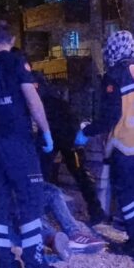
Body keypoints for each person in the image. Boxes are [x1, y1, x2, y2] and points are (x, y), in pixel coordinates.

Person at [0, 20, 58, 268]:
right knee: (30, 200)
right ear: (12, 40)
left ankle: (4, 262)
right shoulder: (17, 62)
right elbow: (32, 100)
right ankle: (34, 263)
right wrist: (46, 131)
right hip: (18, 143)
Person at [76, 30, 134, 266]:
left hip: (128, 149)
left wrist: (86, 132)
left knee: (127, 197)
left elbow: (111, 116)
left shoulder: (114, 76)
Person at [27, 64, 107, 225]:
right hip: (61, 134)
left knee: (51, 172)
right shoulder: (50, 93)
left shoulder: (39, 94)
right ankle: (94, 210)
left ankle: (95, 211)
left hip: (63, 135)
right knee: (76, 172)